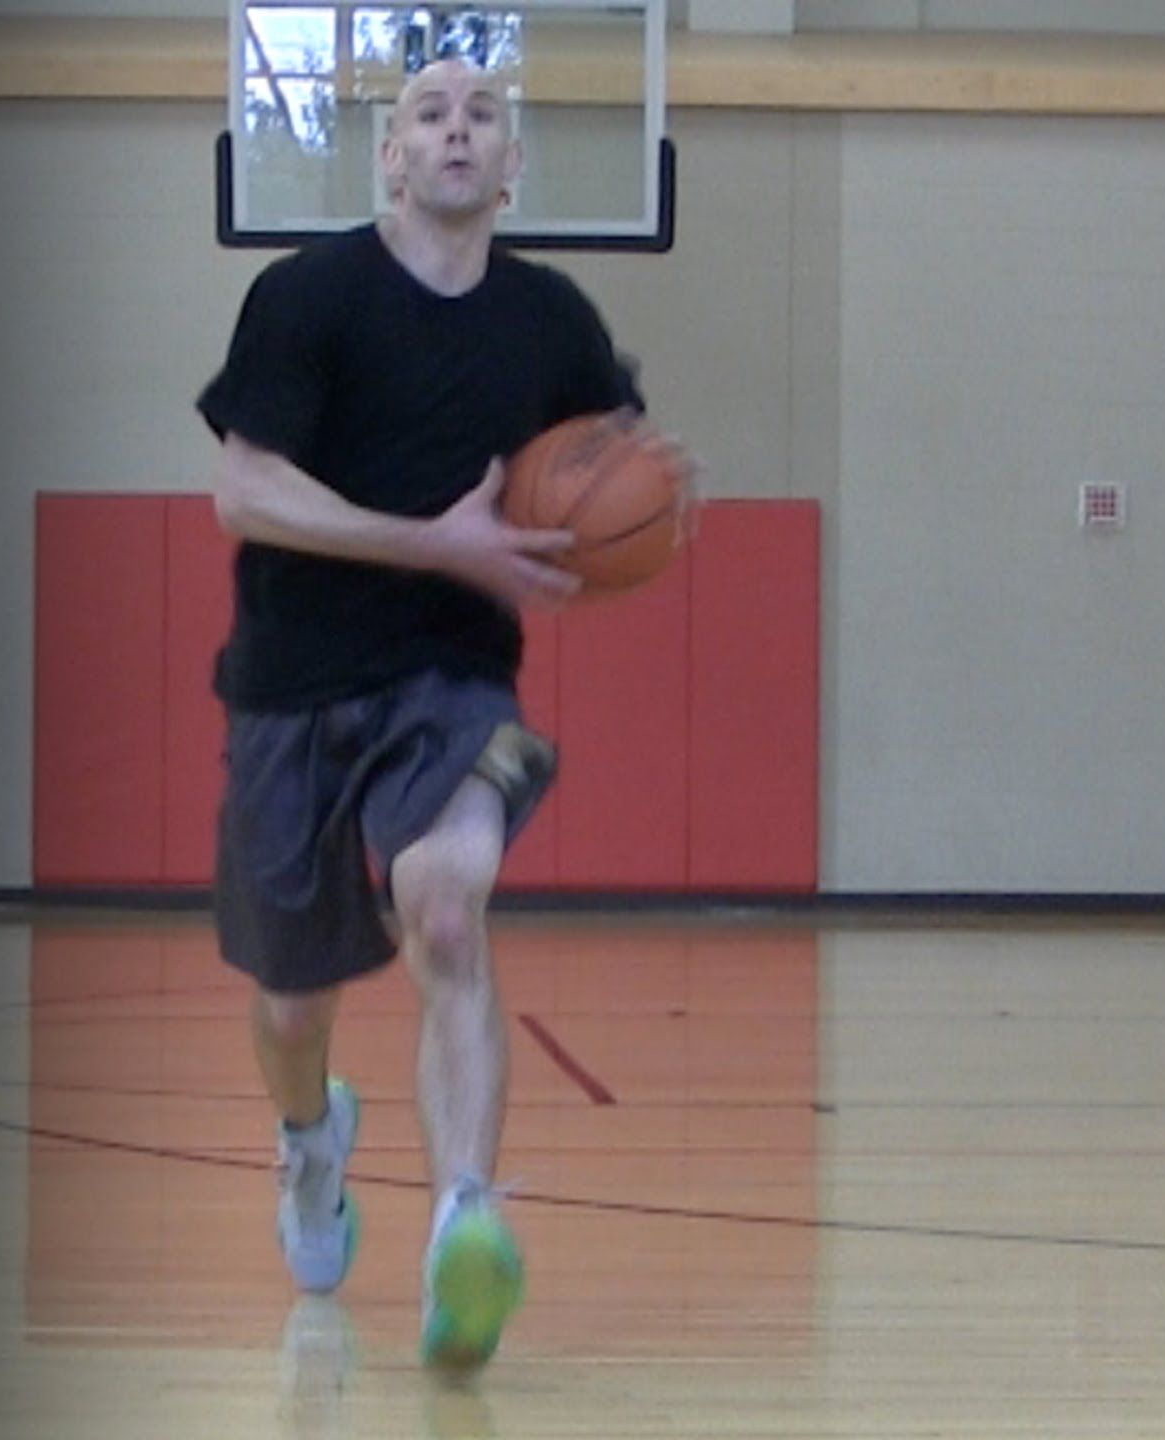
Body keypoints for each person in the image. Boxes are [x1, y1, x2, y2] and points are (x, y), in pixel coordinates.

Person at [195, 55, 691, 1372]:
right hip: (292, 681)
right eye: (429, 112)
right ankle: (312, 1144)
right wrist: (433, 541)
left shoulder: (551, 321)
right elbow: (245, 495)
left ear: (512, 166)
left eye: (482, 115)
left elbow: (614, 463)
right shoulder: (308, 297)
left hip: (453, 681)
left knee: (450, 910)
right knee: (290, 1008)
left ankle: (465, 1224)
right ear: (392, 159)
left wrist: (651, 493)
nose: (456, 128)